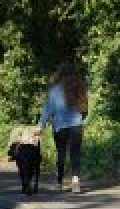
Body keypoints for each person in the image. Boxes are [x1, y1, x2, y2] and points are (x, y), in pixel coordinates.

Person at [34, 59, 88, 194]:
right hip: (76, 126)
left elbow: (48, 110)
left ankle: (58, 183)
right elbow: (85, 109)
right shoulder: (80, 88)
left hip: (60, 127)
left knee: (61, 153)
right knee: (75, 154)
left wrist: (40, 125)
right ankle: (75, 182)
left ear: (60, 74)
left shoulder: (54, 90)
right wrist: (81, 119)